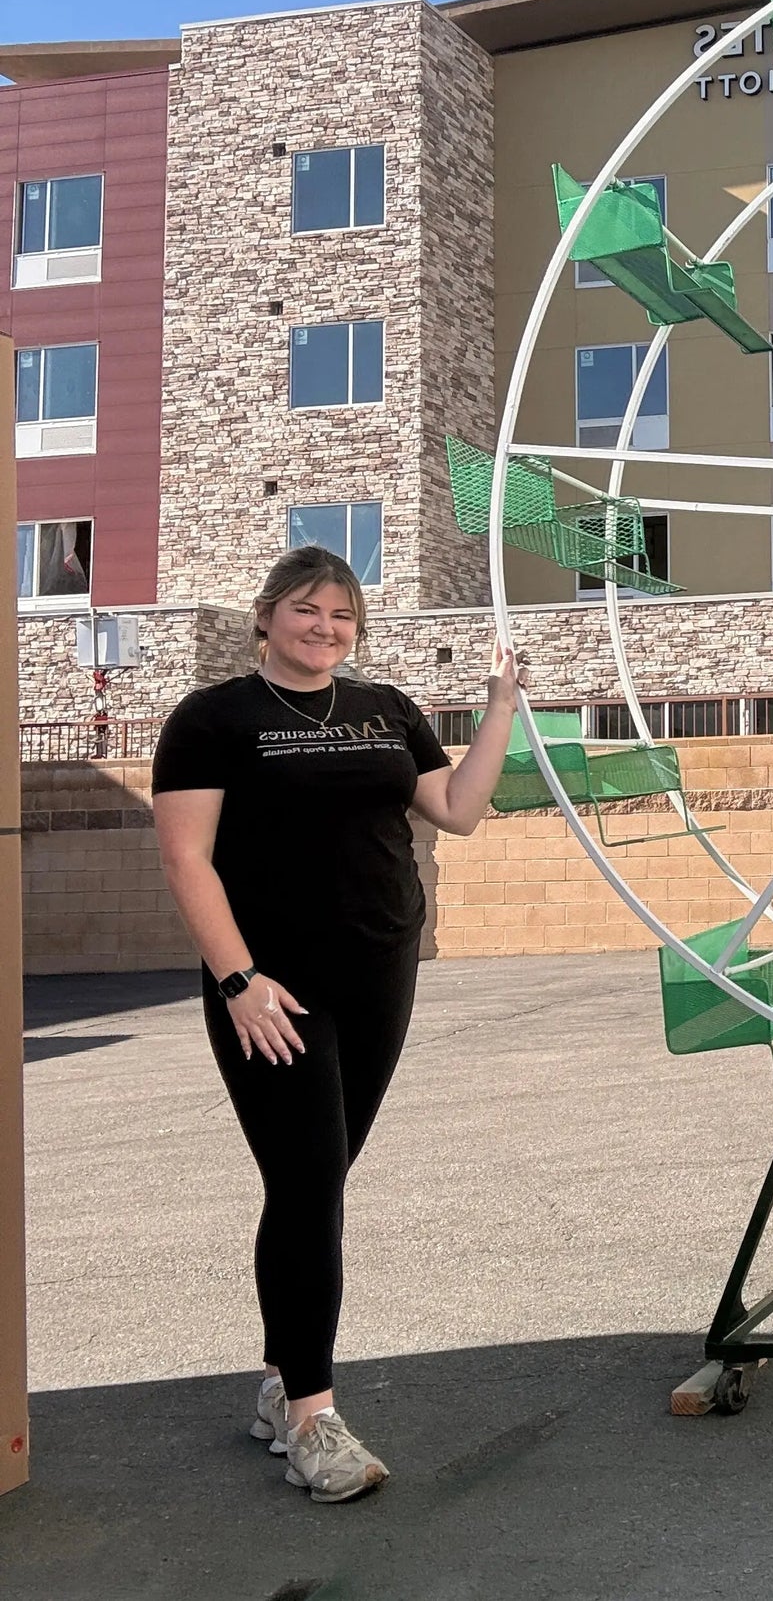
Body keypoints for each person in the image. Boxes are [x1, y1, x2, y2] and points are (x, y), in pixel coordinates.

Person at [153, 545, 523, 1502]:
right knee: (311, 1180)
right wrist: (238, 980)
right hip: (272, 991)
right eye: (309, 611)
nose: (326, 629)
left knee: (313, 1177)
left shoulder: (385, 708)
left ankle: (282, 1382)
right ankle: (314, 1418)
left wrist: (498, 711)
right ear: (268, 616)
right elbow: (189, 860)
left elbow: (456, 809)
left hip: (380, 972)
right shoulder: (213, 719)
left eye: (343, 617)